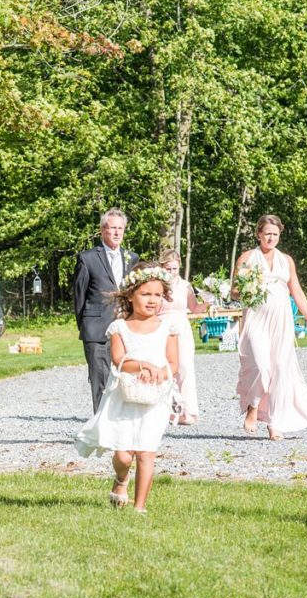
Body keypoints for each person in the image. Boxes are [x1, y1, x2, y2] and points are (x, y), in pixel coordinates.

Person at [75, 263, 179, 514]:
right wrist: (142, 365)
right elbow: (118, 359)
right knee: (123, 454)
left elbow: (174, 363)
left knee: (146, 451)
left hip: (155, 397)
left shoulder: (168, 328)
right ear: (131, 295)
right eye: (146, 294)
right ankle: (121, 479)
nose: (152, 300)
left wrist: (160, 371)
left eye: (157, 295)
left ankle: (139, 507)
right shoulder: (119, 327)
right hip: (124, 394)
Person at [234, 215, 307, 441]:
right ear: (259, 234)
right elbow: (234, 291)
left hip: (281, 322)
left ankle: (274, 422)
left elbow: (297, 291)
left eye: (275, 234)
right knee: (261, 366)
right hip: (256, 319)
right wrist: (248, 289)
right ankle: (253, 406)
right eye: (267, 233)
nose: (271, 238)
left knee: (280, 370)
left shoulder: (286, 260)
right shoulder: (247, 257)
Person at [73, 208, 139, 412]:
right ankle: (101, 423)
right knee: (100, 380)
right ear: (103, 230)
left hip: (125, 328)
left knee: (124, 378)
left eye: (121, 228)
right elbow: (79, 296)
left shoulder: (132, 258)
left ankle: (121, 421)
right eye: (112, 228)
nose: (117, 233)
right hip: (97, 328)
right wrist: (86, 325)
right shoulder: (88, 258)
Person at [159, 250, 209, 424]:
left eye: (174, 268)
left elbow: (194, 308)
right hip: (162, 327)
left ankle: (187, 411)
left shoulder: (185, 286)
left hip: (182, 327)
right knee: (166, 368)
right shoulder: (157, 285)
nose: (171, 272)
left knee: (185, 367)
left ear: (179, 266)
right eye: (168, 269)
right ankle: (166, 410)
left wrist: (208, 301)